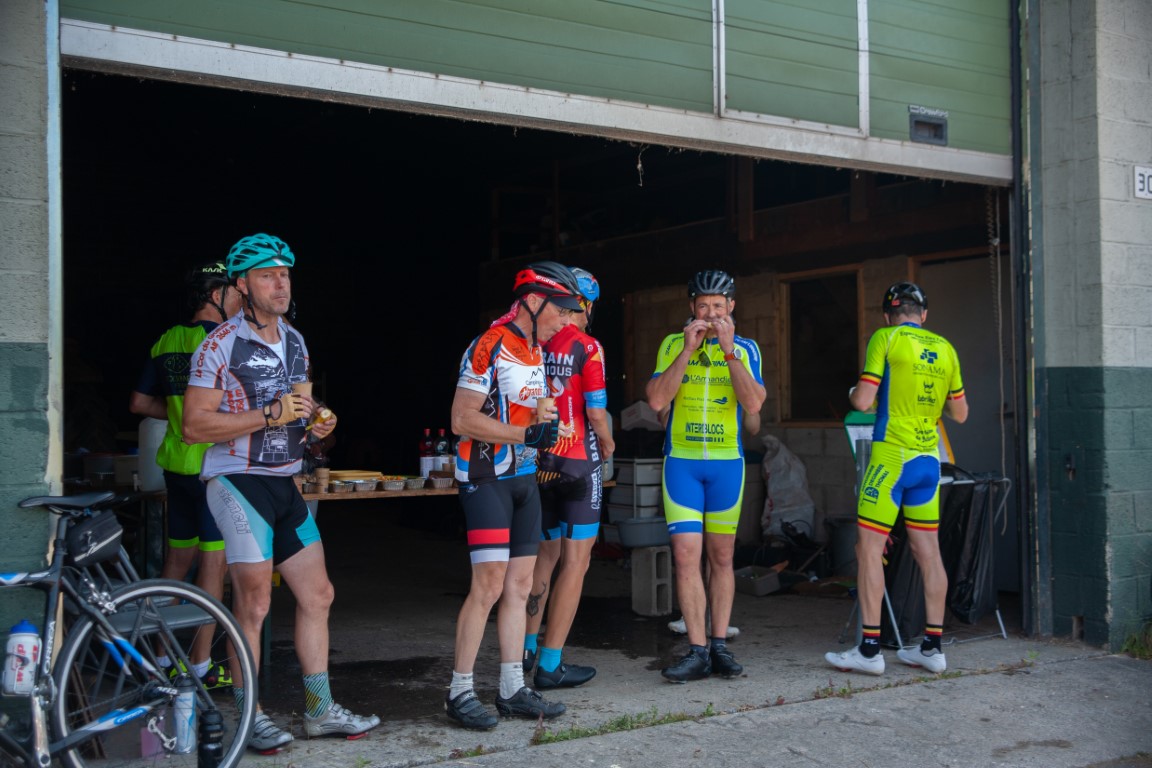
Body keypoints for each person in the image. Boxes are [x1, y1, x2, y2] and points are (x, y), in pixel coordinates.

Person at [183, 233, 379, 751]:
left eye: (285, 275)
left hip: (285, 481)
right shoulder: (218, 344)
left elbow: (301, 408)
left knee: (319, 594)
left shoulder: (295, 340)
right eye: (267, 276)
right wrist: (268, 414)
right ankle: (250, 716)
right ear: (242, 285)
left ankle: (319, 710)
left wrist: (320, 421)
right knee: (254, 603)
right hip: (236, 480)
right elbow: (193, 426)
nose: (280, 284)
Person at [445, 261, 582, 730]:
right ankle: (459, 691)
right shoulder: (489, 343)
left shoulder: (535, 349)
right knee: (487, 586)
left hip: (524, 478)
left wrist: (546, 427)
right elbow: (461, 419)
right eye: (561, 310)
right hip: (486, 477)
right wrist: (525, 435)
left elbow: (525, 412)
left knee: (520, 587)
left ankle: (510, 688)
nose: (566, 320)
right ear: (534, 301)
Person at [824, 282, 968, 676]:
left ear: (888, 315)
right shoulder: (946, 348)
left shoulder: (885, 338)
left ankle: (870, 651)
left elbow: (862, 401)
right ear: (924, 314)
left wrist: (857, 391)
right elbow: (960, 413)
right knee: (929, 553)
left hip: (891, 459)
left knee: (868, 550)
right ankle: (932, 648)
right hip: (928, 460)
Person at [646, 270, 765, 683]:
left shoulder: (747, 348)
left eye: (718, 306)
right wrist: (687, 351)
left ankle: (719, 646)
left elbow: (753, 405)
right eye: (703, 306)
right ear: (691, 308)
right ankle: (696, 650)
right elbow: (656, 400)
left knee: (722, 558)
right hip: (682, 462)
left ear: (731, 307)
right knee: (685, 556)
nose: (711, 314)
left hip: (726, 464)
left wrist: (729, 352)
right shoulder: (672, 344)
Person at [129, 261, 242, 686]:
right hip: (213, 468)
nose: (240, 300)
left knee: (176, 562)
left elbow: (140, 403)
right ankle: (200, 666)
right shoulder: (225, 340)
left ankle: (160, 660)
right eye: (234, 292)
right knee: (214, 566)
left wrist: (180, 417)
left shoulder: (166, 340)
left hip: (177, 466)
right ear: (215, 295)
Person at [522, 267, 615, 690]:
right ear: (587, 306)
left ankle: (524, 649)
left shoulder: (535, 341)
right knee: (576, 564)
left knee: (543, 558)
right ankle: (550, 665)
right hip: (580, 464)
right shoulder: (588, 346)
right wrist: (608, 443)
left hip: (540, 463)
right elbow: (595, 412)